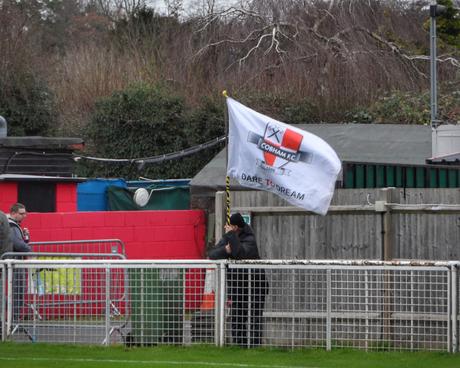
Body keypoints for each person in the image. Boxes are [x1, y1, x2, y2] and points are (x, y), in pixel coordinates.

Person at [208, 213, 268, 347]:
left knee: (255, 317)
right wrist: (225, 249)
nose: (226, 228)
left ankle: (254, 346)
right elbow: (212, 254)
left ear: (235, 227)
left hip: (255, 284)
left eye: (229, 226)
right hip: (238, 284)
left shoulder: (250, 238)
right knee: (237, 316)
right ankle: (239, 345)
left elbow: (240, 254)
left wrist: (230, 237)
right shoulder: (229, 237)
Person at [8, 203, 31, 323]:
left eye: (25, 213)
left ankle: (13, 320)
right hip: (15, 263)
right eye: (21, 213)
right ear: (13, 213)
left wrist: (26, 238)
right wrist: (29, 250)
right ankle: (14, 321)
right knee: (18, 292)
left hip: (15, 262)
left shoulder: (15, 226)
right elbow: (18, 245)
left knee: (18, 292)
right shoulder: (11, 226)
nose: (24, 216)